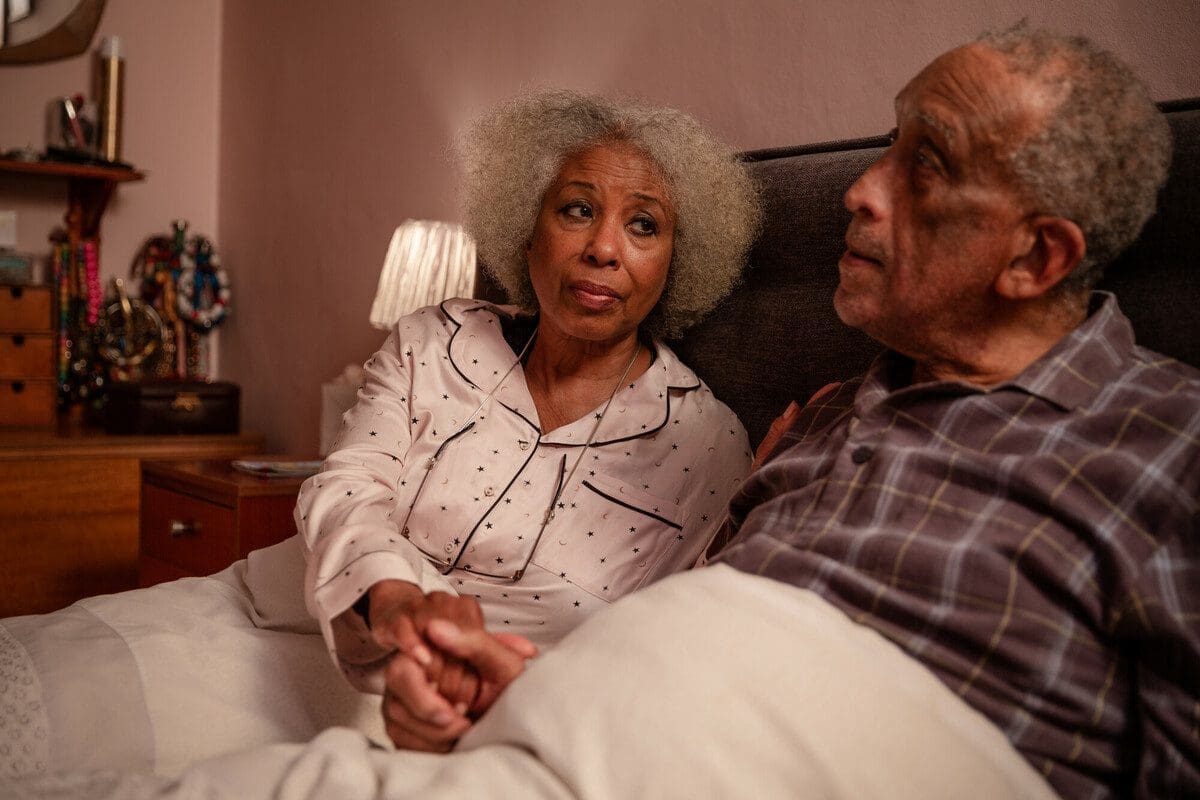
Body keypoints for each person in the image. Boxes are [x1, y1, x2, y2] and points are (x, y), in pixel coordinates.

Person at [392, 28, 1200, 799]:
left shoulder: (1172, 446)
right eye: (887, 143)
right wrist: (516, 694)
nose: (859, 190)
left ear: (1035, 257)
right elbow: (678, 656)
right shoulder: (826, 419)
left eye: (924, 164)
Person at [296, 90, 761, 752]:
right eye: (578, 210)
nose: (603, 248)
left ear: (675, 261)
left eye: (644, 226)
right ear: (526, 224)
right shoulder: (433, 341)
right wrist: (396, 599)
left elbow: (661, 649)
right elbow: (346, 485)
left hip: (513, 709)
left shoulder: (707, 443)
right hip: (325, 628)